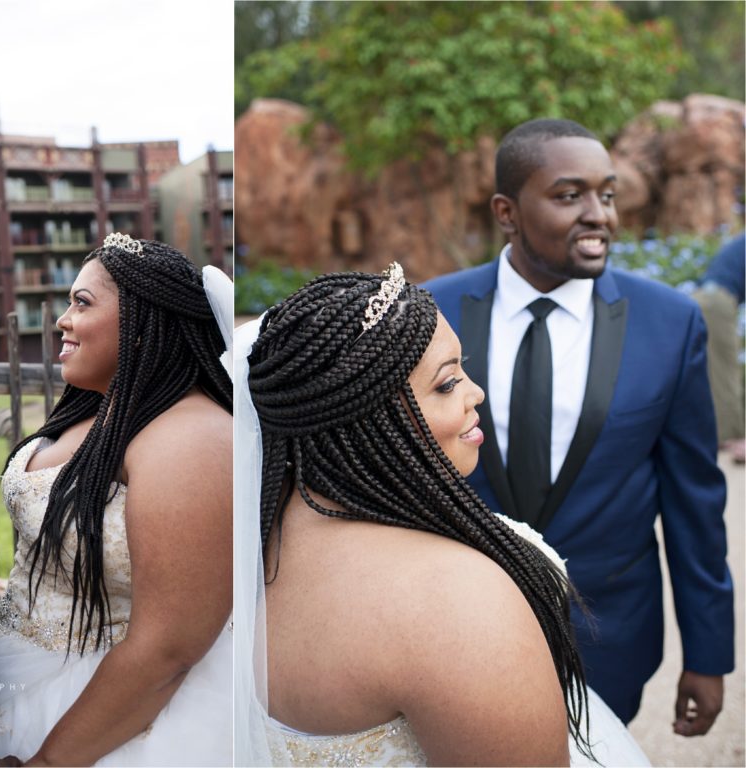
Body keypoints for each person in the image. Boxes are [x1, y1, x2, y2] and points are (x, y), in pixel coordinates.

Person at [233, 265, 649, 766]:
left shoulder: (252, 549)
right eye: (448, 384)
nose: (476, 394)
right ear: (367, 414)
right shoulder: (455, 599)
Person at [424, 118, 734, 730]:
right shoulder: (433, 311)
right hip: (453, 630)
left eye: (608, 194)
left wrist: (708, 653)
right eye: (570, 196)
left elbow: (694, 500)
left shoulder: (671, 324)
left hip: (611, 637)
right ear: (507, 212)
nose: (600, 215)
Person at [0, 234, 233, 766]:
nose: (62, 321)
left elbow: (169, 648)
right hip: (15, 665)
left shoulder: (195, 439)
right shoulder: (96, 409)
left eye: (82, 302)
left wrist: (45, 763)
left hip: (106, 710)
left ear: (143, 325)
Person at [692, 232, 745, 463]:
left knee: (711, 370)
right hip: (716, 304)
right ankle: (734, 441)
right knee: (725, 372)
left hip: (705, 298)